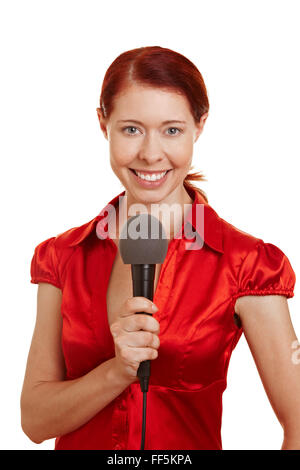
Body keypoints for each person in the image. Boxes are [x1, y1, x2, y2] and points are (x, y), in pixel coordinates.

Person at [21, 46, 300, 450]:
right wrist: (118, 371)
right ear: (103, 123)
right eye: (131, 129)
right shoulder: (62, 256)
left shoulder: (248, 265)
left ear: (199, 125)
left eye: (172, 130)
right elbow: (34, 421)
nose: (151, 154)